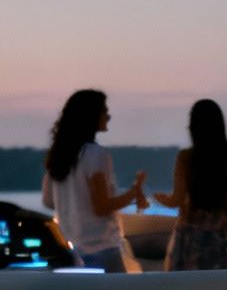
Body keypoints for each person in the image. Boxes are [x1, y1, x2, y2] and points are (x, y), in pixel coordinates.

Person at [41, 89, 148, 273]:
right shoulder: (96, 154)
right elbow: (101, 207)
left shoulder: (60, 156)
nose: (108, 117)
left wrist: (74, 206)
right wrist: (134, 192)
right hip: (102, 248)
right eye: (104, 111)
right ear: (91, 116)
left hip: (73, 251)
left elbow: (49, 201)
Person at [152, 99, 227, 271]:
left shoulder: (185, 158)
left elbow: (177, 199)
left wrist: (161, 199)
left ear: (194, 128)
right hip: (220, 243)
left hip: (188, 243)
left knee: (182, 287)